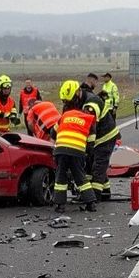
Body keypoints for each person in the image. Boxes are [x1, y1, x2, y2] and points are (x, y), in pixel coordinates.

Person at [53, 80, 98, 212]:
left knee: (60, 176)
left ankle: (60, 205)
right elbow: (91, 140)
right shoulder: (88, 118)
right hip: (77, 151)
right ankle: (91, 203)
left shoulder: (65, 116)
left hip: (61, 150)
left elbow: (53, 132)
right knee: (80, 176)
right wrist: (88, 153)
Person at [84, 81, 120, 201]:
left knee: (98, 166)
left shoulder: (91, 105)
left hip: (106, 137)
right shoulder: (85, 102)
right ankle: (105, 191)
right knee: (94, 163)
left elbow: (91, 127)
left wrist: (89, 146)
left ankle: (95, 196)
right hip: (102, 136)